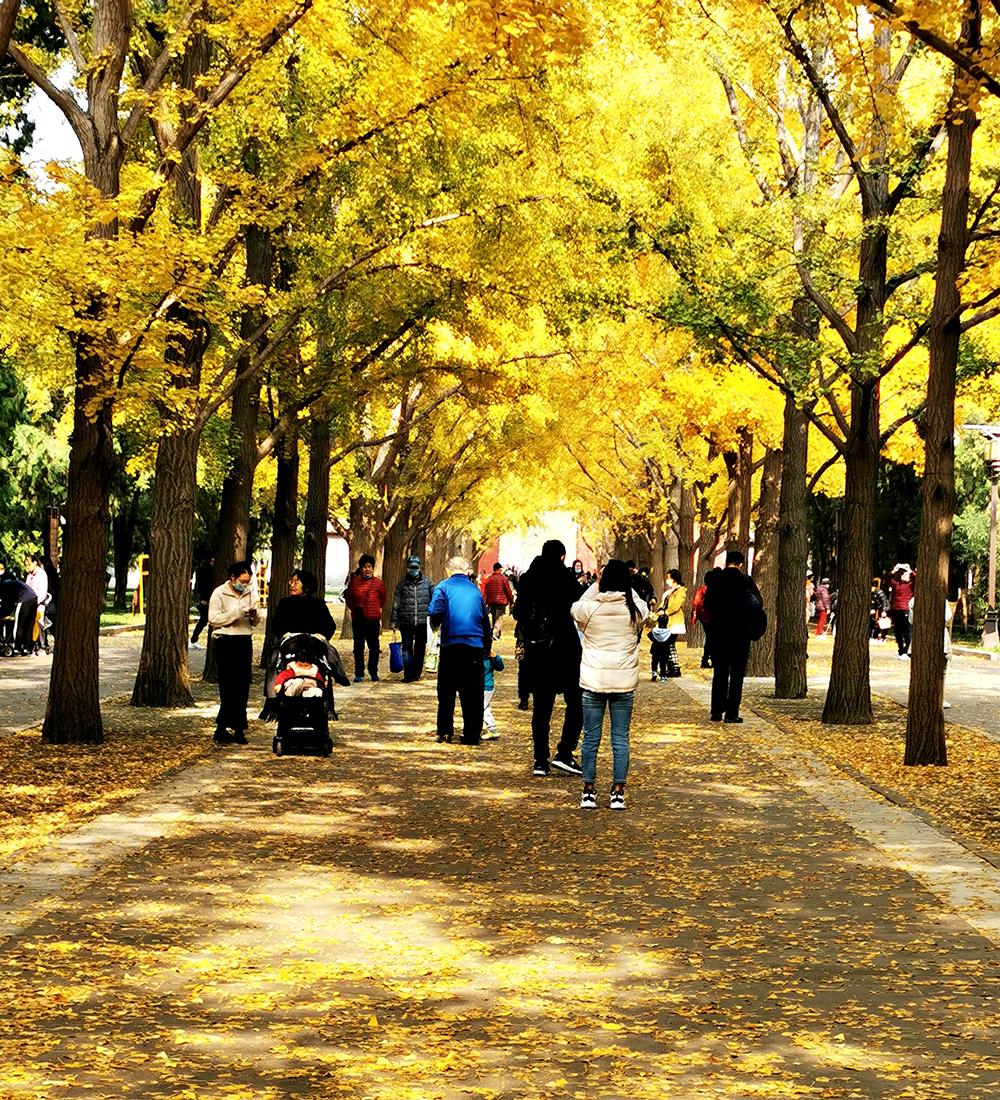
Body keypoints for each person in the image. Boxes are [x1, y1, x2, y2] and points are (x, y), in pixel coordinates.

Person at [572, 559, 648, 811]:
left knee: (590, 738)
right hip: (623, 682)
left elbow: (576, 606)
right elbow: (643, 605)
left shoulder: (591, 609)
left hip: (594, 680)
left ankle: (588, 790)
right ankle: (618, 792)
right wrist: (625, 586)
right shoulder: (633, 611)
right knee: (620, 739)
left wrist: (597, 584)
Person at [513, 539, 585, 777]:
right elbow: (578, 604)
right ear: (562, 557)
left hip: (537, 650)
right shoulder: (566, 579)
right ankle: (565, 751)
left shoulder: (528, 578)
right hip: (565, 648)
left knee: (541, 707)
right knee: (576, 701)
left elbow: (518, 612)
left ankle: (540, 760)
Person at [428, 556, 492, 745]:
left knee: (446, 691)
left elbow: (434, 611)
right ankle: (472, 734)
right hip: (474, 645)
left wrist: (438, 624)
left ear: (448, 570)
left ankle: (445, 732)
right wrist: (487, 646)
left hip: (451, 644)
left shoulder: (443, 587)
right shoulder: (475, 590)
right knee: (473, 693)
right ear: (465, 571)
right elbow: (485, 621)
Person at [703, 550, 762, 724]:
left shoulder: (715, 581)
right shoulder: (745, 581)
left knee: (720, 672)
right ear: (741, 564)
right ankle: (731, 713)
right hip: (740, 632)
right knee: (737, 675)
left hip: (719, 632)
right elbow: (758, 603)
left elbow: (707, 605)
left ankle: (716, 711)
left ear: (726, 561)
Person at [207, 560, 259, 744]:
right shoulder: (219, 593)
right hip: (225, 641)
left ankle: (238, 729)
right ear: (233, 577)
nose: (244, 585)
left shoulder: (250, 592)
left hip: (244, 640)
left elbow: (256, 620)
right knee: (228, 686)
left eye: (247, 582)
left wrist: (255, 616)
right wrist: (237, 613)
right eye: (242, 581)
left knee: (242, 685)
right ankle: (222, 728)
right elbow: (213, 619)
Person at [389, 555, 435, 682]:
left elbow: (435, 601)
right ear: (407, 568)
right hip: (406, 622)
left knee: (420, 649)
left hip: (422, 622)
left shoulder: (428, 583)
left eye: (415, 567)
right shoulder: (401, 585)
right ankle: (408, 675)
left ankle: (417, 674)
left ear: (419, 567)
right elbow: (396, 604)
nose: (413, 570)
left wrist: (434, 619)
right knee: (406, 649)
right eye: (411, 568)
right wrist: (393, 623)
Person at [344, 554, 386, 681]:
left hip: (373, 620)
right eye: (364, 567)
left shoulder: (379, 583)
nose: (367, 569)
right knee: (358, 647)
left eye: (369, 567)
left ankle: (373, 671)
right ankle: (359, 673)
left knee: (374, 647)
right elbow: (349, 598)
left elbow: (382, 599)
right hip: (358, 619)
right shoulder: (354, 583)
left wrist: (375, 608)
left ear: (373, 568)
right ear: (361, 568)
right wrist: (355, 609)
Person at [270, 568, 336, 640]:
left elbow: (329, 625)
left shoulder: (318, 604)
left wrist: (322, 635)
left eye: (296, 583)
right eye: (291, 582)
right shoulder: (284, 603)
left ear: (306, 586)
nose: (292, 585)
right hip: (290, 642)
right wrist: (284, 634)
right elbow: (276, 623)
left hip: (313, 642)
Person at [0, 572, 37, 656]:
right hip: (33, 599)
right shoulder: (14, 583)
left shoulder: (4, 586)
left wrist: (2, 614)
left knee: (19, 624)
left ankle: (17, 647)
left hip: (24, 600)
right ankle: (27, 647)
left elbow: (7, 603)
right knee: (29, 625)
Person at [660, 568, 686, 676]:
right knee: (666, 645)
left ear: (674, 579)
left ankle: (675, 667)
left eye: (668, 578)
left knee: (670, 644)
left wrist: (665, 612)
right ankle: (670, 667)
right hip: (666, 621)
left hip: (674, 621)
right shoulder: (669, 591)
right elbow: (663, 604)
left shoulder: (680, 591)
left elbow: (675, 606)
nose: (667, 580)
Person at [887, 563, 916, 659]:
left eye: (905, 574)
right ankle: (900, 650)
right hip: (896, 610)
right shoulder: (896, 585)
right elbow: (888, 580)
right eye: (902, 574)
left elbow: (916, 579)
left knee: (906, 631)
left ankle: (906, 651)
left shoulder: (911, 585)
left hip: (906, 610)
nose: (903, 575)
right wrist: (894, 570)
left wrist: (910, 571)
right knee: (898, 632)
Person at [23, 553, 50, 655]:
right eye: (26, 566)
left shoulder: (41, 574)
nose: (28, 568)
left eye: (29, 565)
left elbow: (42, 591)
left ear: (35, 563)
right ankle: (29, 645)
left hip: (39, 603)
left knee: (39, 623)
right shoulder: (29, 576)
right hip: (30, 602)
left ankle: (43, 645)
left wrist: (37, 601)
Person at [692, 568, 718, 669]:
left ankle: (707, 659)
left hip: (703, 618)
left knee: (710, 638)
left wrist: (694, 616)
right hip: (711, 617)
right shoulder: (712, 590)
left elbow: (695, 603)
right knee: (711, 639)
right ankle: (708, 659)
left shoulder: (701, 590)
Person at [482, 561, 515, 638]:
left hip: (491, 601)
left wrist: (485, 602)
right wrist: (511, 601)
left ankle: (496, 633)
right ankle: (495, 633)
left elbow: (486, 591)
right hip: (501, 601)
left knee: (494, 617)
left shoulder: (489, 579)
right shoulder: (503, 578)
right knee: (499, 617)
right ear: (499, 569)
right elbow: (508, 591)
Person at [190, 556, 215, 648]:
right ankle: (193, 639)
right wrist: (205, 598)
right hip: (206, 597)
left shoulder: (202, 568)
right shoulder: (208, 569)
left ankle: (193, 639)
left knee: (203, 620)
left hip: (204, 596)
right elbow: (206, 584)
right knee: (203, 620)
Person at [482, 648, 505, 739]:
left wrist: (495, 657)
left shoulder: (489, 656)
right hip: (482, 686)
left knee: (481, 708)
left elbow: (500, 667)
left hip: (486, 686)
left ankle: (492, 729)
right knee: (485, 708)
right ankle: (491, 728)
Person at [648, 612, 671, 681]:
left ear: (658, 622)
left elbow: (649, 635)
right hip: (665, 650)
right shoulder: (668, 632)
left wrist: (655, 640)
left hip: (655, 649)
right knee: (663, 663)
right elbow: (672, 640)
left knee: (654, 661)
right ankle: (662, 676)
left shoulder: (654, 631)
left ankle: (654, 672)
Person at [870, 577, 890, 642]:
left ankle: (882, 637)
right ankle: (874, 637)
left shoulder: (879, 592)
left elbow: (885, 602)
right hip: (876, 610)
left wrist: (884, 611)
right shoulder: (871, 594)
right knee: (874, 623)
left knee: (882, 624)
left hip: (882, 610)